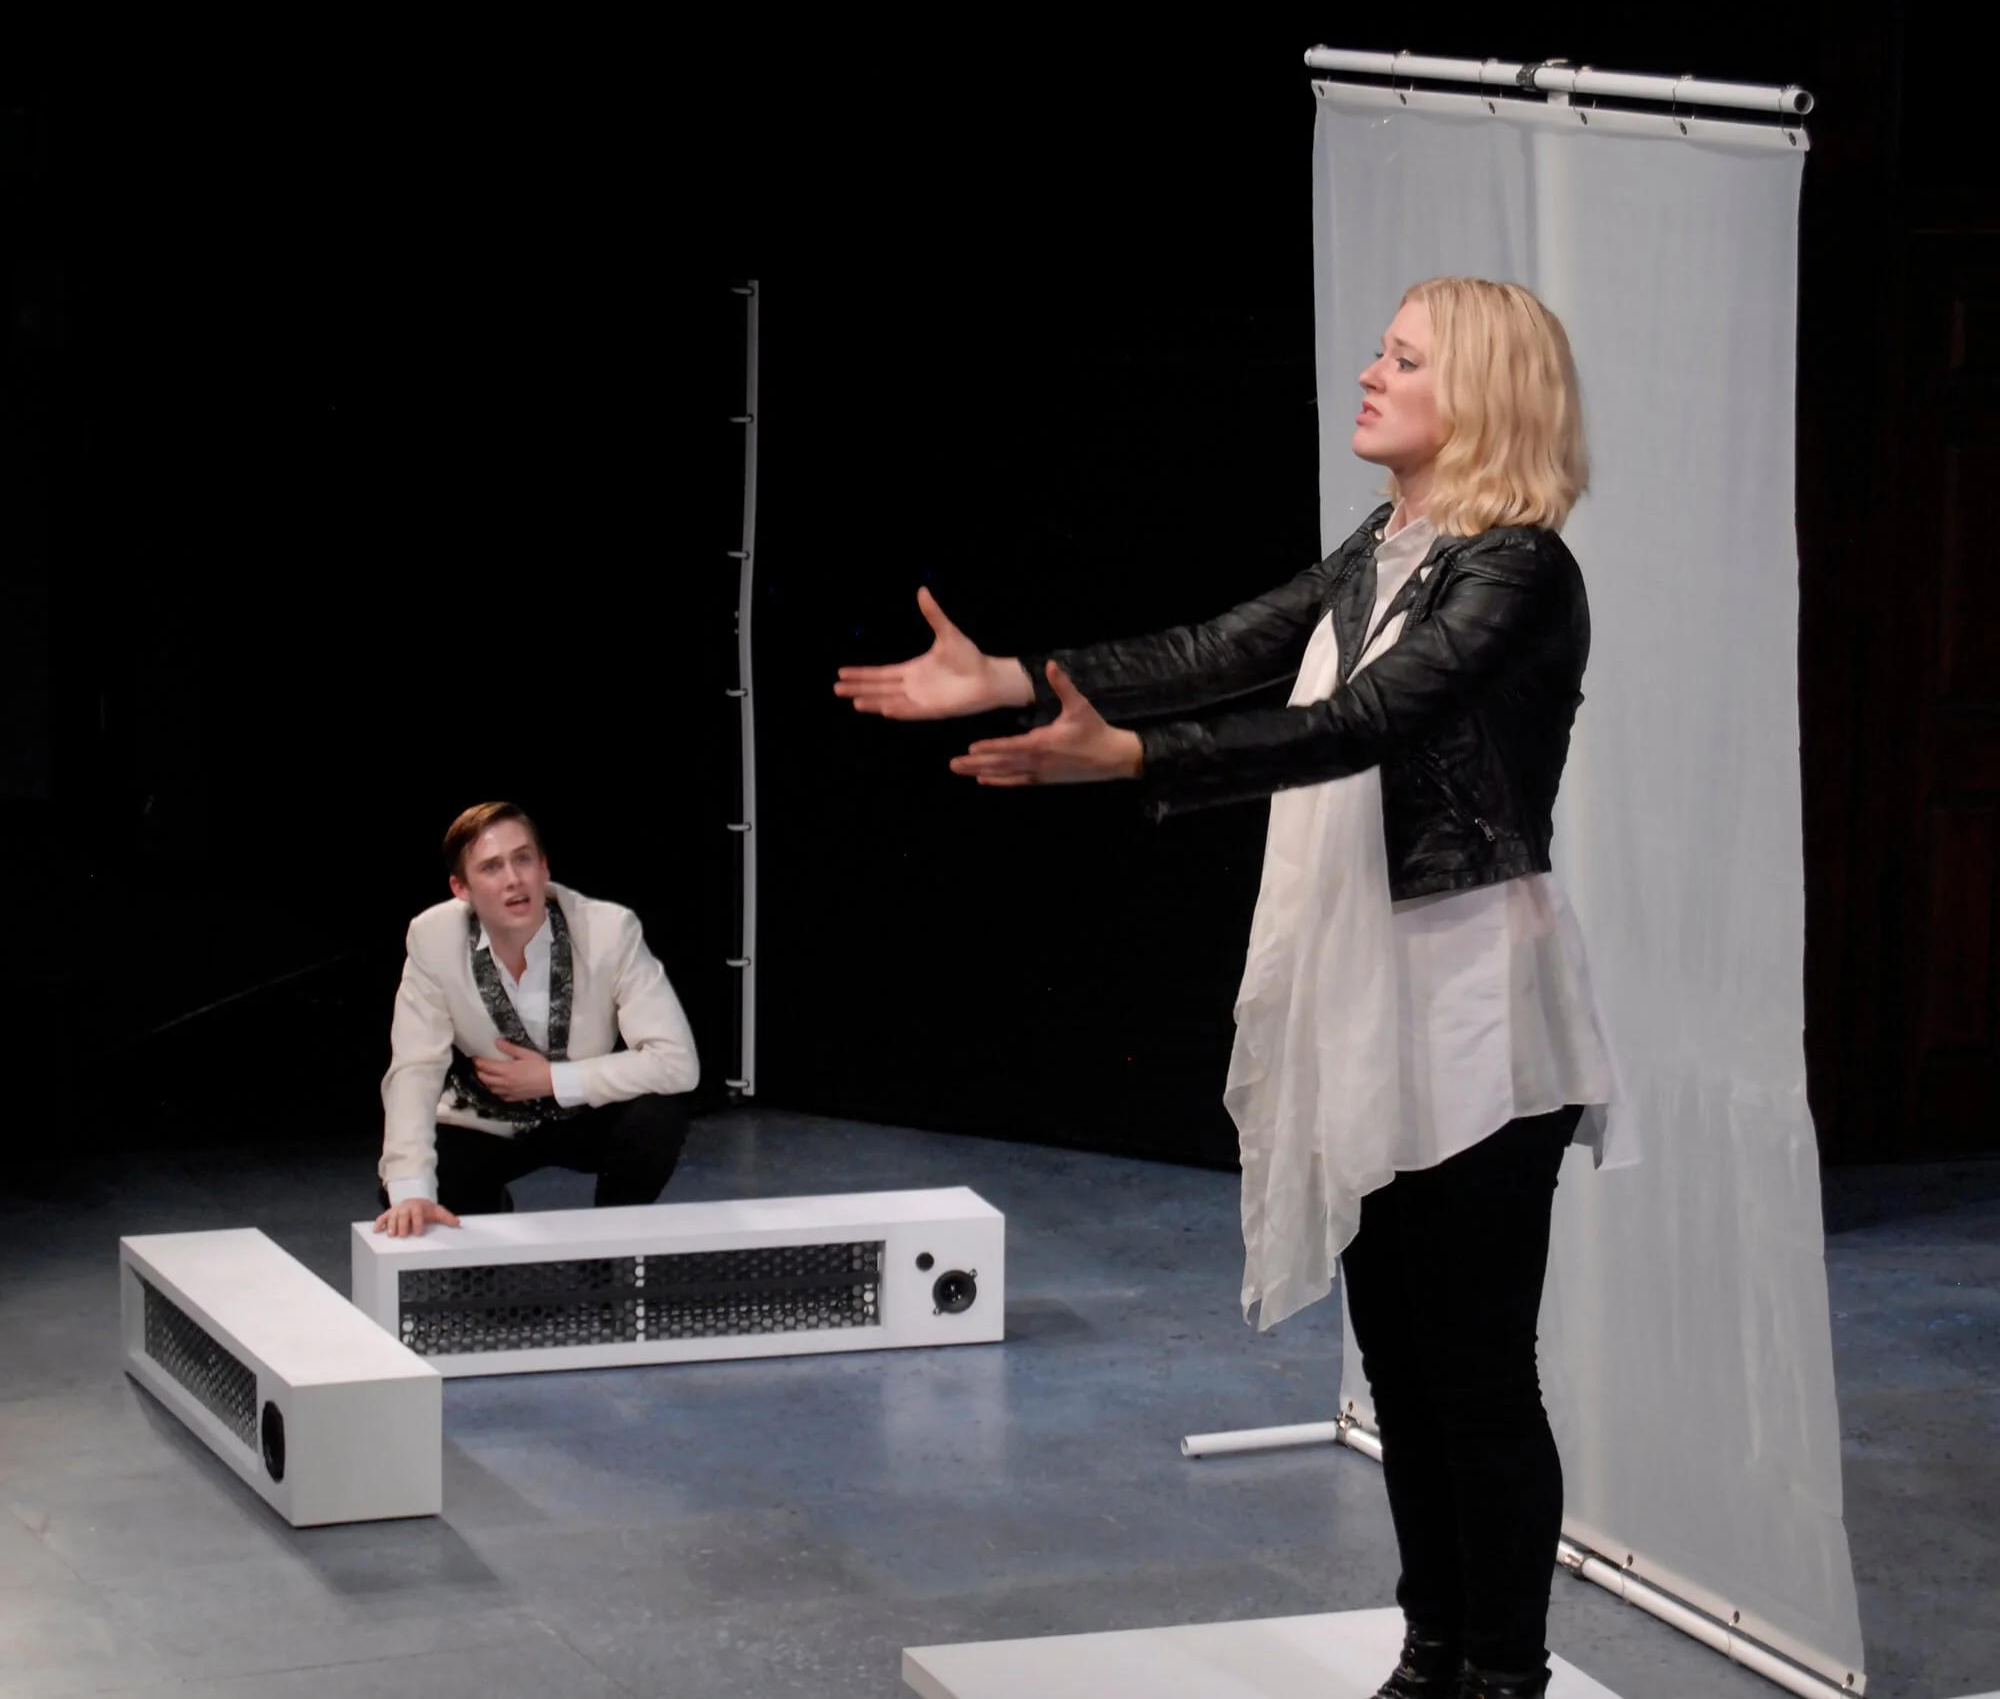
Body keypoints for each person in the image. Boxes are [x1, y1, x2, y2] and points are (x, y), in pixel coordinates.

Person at [834, 277, 1622, 1699]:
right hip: (1373, 998)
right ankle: (1432, 1652)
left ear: (1480, 396)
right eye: (1379, 351)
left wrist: (1138, 761)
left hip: (1474, 1011)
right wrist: (1012, 678)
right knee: (1401, 1363)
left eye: (1403, 358)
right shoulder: (1386, 545)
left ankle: (1503, 1674)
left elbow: (1364, 723)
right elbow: (1225, 647)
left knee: (1475, 1371)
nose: (1370, 374)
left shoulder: (1517, 570)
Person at [373, 802, 700, 1239]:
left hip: (587, 1115)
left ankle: (611, 1246)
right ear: (460, 888)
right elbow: (415, 1067)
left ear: (543, 867)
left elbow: (677, 1061)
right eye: (491, 867)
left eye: (523, 859)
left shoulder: (609, 930)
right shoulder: (432, 938)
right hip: (488, 1120)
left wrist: (552, 1080)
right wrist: (411, 1191)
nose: (513, 879)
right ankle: (487, 1219)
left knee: (658, 1113)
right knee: (411, 1189)